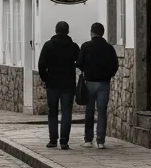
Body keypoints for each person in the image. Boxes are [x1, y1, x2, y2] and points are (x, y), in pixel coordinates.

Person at [37, 21, 80, 149]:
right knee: (67, 112)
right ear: (68, 31)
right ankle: (64, 140)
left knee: (53, 112)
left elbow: (41, 65)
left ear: (56, 30)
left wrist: (45, 79)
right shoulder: (73, 46)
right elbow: (81, 61)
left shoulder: (48, 45)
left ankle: (53, 139)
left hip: (53, 83)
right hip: (68, 83)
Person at [77, 22, 120, 149]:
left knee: (89, 111)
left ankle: (88, 140)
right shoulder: (109, 48)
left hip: (90, 82)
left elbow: (79, 63)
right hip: (104, 83)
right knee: (102, 112)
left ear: (91, 32)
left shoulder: (86, 46)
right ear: (103, 33)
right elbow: (115, 65)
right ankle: (100, 141)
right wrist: (109, 75)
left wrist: (87, 69)